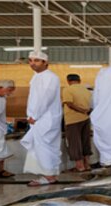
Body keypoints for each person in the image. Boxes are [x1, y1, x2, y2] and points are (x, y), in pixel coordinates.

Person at [21, 51, 63, 186]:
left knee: (44, 147)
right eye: (30, 60)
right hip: (39, 118)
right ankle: (50, 174)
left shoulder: (49, 77)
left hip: (44, 118)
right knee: (44, 147)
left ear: (45, 63)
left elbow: (46, 97)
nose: (32, 63)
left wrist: (35, 115)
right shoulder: (37, 77)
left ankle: (48, 176)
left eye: (37, 61)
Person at [62, 74, 93, 172]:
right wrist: (85, 111)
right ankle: (87, 165)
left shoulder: (68, 89)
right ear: (79, 80)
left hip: (72, 120)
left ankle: (80, 166)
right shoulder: (86, 91)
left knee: (74, 143)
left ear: (68, 81)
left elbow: (69, 103)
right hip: (86, 120)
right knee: (85, 142)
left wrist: (81, 110)